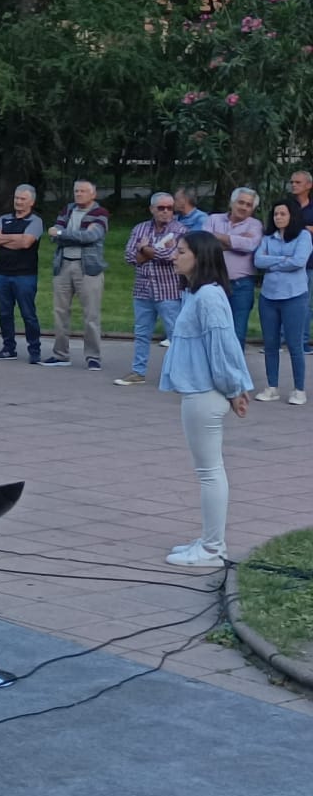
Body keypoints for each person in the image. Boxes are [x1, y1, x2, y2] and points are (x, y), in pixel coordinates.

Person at [160, 233, 252, 566]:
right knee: (208, 471)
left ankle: (213, 549)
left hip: (206, 394)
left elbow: (224, 348)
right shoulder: (197, 295)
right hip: (199, 392)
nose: (174, 256)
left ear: (200, 258)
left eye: (181, 252)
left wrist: (234, 389)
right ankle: (209, 541)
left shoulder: (209, 297)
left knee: (210, 472)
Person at [115, 193, 185, 387]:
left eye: (169, 208)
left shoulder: (180, 230)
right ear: (152, 209)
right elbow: (130, 257)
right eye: (161, 208)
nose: (165, 212)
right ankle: (138, 372)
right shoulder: (140, 228)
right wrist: (153, 252)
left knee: (175, 334)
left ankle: (180, 374)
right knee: (141, 333)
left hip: (169, 291)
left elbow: (172, 256)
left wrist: (145, 249)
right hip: (143, 290)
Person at [41, 179, 110, 370]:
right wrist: (65, 233)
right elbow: (53, 233)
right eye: (76, 191)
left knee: (91, 315)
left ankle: (93, 357)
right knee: (59, 312)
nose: (78, 194)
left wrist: (62, 234)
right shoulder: (67, 210)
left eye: (83, 191)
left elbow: (91, 236)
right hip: (63, 265)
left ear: (93, 194)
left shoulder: (100, 213)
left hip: (88, 268)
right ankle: (60, 354)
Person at [253, 200, 310, 404]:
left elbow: (299, 261)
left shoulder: (303, 236)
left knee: (295, 344)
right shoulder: (268, 237)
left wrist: (273, 262)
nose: (278, 217)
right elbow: (258, 260)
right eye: (276, 214)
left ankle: (299, 390)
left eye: (282, 214)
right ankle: (271, 387)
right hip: (269, 297)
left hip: (294, 296)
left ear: (292, 215)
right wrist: (284, 260)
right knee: (270, 344)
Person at [0, 186, 42, 364]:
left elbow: (26, 243)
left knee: (28, 313)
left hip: (25, 275)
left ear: (31, 202)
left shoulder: (35, 221)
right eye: (17, 198)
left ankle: (34, 349)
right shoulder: (4, 219)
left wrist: (6, 239)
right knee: (4, 313)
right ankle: (8, 348)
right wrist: (15, 238)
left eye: (23, 199)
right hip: (3, 273)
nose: (18, 202)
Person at [204, 187, 263, 346]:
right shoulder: (213, 219)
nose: (243, 207)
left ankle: (235, 371)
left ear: (253, 209)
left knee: (237, 334)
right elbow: (204, 245)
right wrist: (236, 241)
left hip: (241, 286)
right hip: (213, 284)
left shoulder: (255, 225)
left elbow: (249, 246)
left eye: (248, 205)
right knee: (212, 331)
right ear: (232, 202)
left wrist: (218, 237)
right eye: (241, 202)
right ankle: (214, 370)